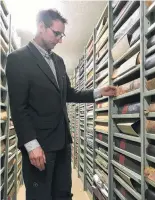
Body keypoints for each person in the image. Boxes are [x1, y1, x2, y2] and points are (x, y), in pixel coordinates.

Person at [6, 9, 116, 200]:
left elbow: (69, 93)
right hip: (39, 146)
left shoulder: (59, 62)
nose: (60, 40)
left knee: (62, 193)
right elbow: (18, 108)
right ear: (41, 27)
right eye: (56, 33)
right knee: (40, 195)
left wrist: (98, 92)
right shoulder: (18, 59)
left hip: (62, 142)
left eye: (62, 35)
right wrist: (32, 146)